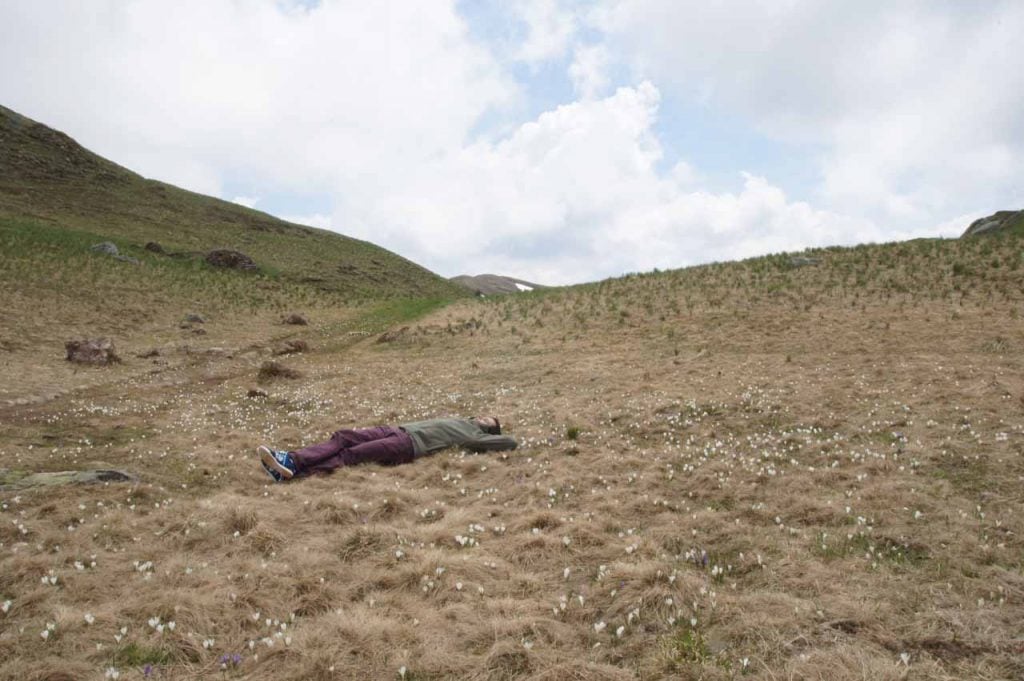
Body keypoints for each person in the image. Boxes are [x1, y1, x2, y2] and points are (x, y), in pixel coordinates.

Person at [257, 415, 516, 481]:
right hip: (398, 429)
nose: (483, 417)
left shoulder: (475, 436)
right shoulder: (463, 420)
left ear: (488, 430)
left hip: (408, 445)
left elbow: (510, 442)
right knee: (343, 436)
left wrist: (493, 433)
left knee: (351, 456)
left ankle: (295, 471)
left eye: (488, 421)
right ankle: (290, 460)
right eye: (485, 416)